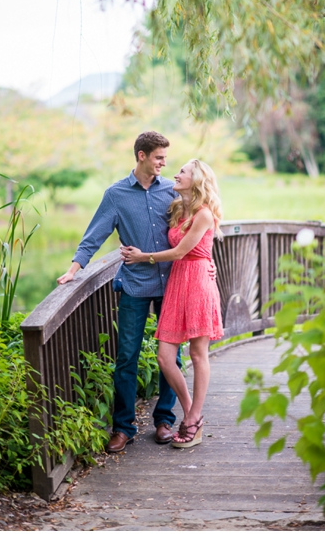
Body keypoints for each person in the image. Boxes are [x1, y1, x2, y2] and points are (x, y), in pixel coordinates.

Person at [58, 131, 182, 452]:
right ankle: (123, 427)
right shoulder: (115, 195)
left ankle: (164, 420)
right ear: (141, 155)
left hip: (171, 286)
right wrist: (73, 270)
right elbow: (94, 236)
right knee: (126, 357)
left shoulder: (172, 190)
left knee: (172, 357)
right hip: (135, 285)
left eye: (165, 158)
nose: (163, 164)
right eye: (158, 157)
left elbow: (196, 228)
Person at [121, 159, 224, 448]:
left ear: (197, 179)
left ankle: (192, 419)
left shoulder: (203, 214)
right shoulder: (178, 207)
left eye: (182, 172)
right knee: (165, 357)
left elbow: (180, 252)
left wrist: (142, 257)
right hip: (177, 284)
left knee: (197, 352)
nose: (175, 174)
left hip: (198, 284)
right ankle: (193, 413)